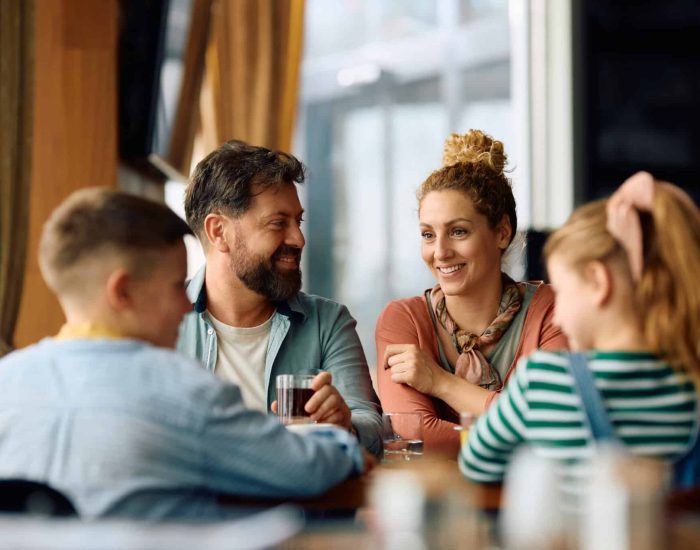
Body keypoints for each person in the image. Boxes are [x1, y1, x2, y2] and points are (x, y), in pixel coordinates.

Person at [0, 188, 371, 519]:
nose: (185, 305)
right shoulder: (182, 392)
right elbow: (305, 468)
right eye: (177, 286)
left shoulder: (7, 380)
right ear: (123, 292)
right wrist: (338, 440)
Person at [460, 172, 699, 504]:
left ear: (598, 283)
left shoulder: (544, 379)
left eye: (563, 292)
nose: (557, 314)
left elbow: (475, 463)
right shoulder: (692, 381)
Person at [177, 140, 382, 455]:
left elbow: (371, 425)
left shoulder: (327, 322)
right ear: (219, 231)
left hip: (300, 504)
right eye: (278, 223)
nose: (299, 239)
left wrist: (347, 425)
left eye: (297, 222)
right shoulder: (163, 324)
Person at [376, 129, 567, 457]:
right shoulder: (403, 320)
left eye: (458, 231)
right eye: (428, 234)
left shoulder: (553, 311)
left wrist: (440, 383)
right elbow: (413, 436)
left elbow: (550, 432)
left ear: (502, 232)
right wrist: (515, 428)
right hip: (435, 502)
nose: (440, 252)